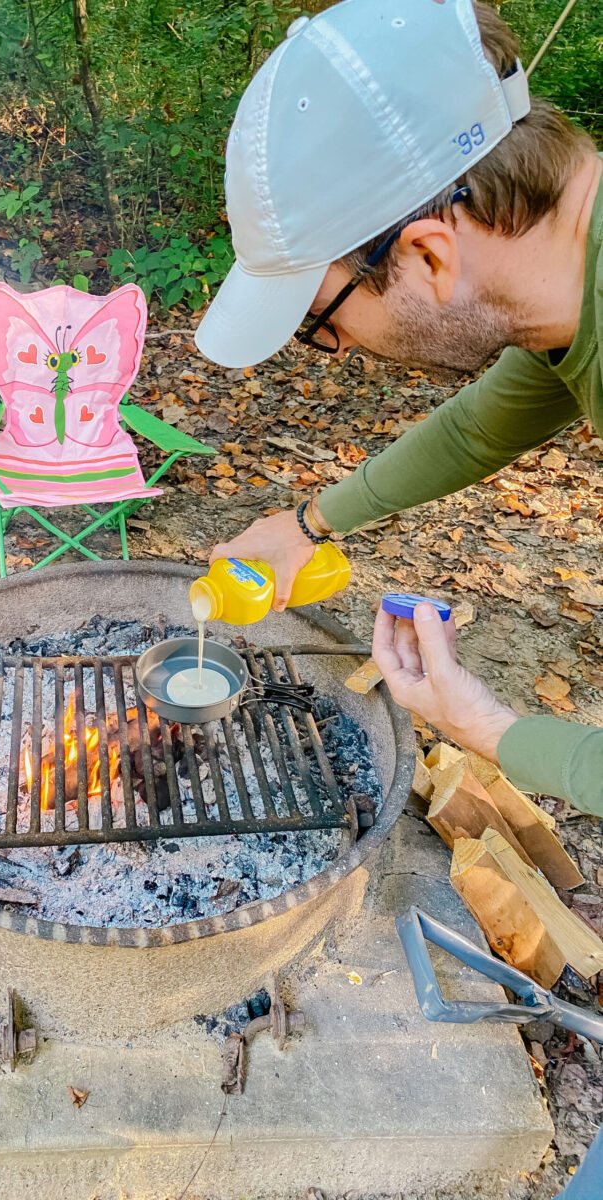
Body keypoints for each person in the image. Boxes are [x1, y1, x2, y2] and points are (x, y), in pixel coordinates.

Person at [194, 0, 602, 821]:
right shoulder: (567, 308)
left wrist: (491, 727)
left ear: (428, 254)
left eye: (323, 317)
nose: (335, 347)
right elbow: (482, 424)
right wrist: (308, 524)